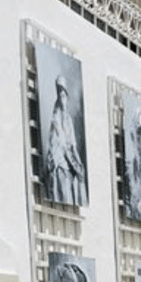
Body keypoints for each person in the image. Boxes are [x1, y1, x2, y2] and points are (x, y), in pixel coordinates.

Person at [44, 74, 86, 206]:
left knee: (76, 190)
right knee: (63, 193)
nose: (62, 99)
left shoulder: (69, 119)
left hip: (69, 164)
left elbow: (73, 146)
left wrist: (79, 164)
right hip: (60, 164)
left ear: (67, 98)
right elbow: (56, 143)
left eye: (63, 96)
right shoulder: (55, 118)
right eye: (59, 95)